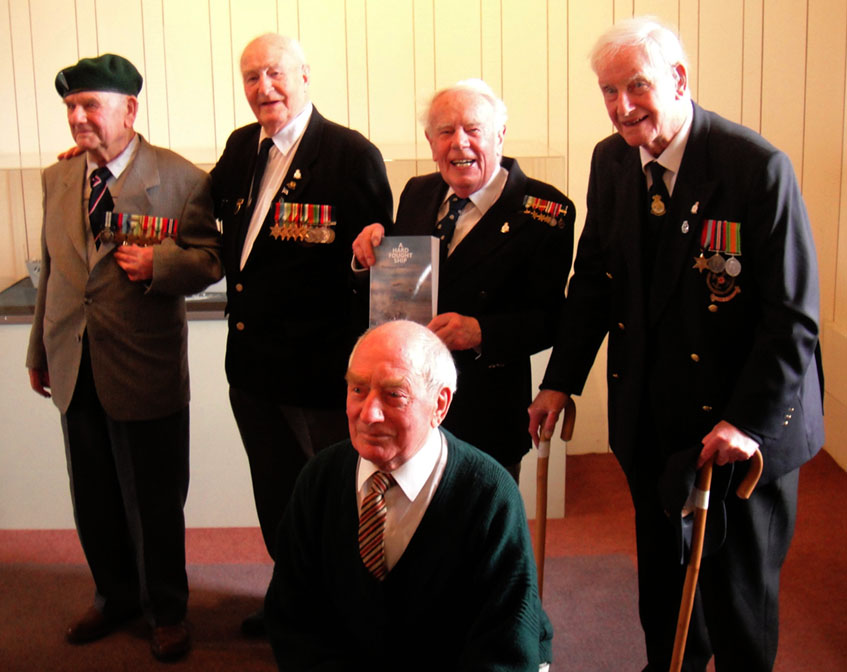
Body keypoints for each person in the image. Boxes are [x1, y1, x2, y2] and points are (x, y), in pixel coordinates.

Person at [528, 16, 824, 672]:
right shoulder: (611, 161)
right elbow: (594, 282)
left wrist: (745, 421)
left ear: (679, 80)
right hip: (652, 415)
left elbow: (791, 319)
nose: (621, 106)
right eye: (607, 91)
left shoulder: (754, 168)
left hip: (742, 424)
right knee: (663, 578)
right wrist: (560, 379)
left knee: (736, 596)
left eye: (636, 86)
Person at [26, 54, 222, 661]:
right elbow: (55, 271)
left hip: (145, 366)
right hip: (73, 361)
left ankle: (166, 610)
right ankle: (114, 597)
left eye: (91, 106)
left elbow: (211, 260)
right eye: (70, 108)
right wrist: (39, 350)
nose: (78, 118)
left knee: (155, 500)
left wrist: (159, 264)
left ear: (129, 109)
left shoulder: (181, 178)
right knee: (93, 495)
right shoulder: (57, 179)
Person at [209, 33, 393, 634]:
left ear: (305, 76)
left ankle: (346, 612)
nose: (264, 88)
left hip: (319, 374)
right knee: (277, 496)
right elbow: (196, 196)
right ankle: (293, 594)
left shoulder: (348, 155)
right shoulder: (243, 148)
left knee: (338, 497)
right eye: (251, 78)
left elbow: (378, 265)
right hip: (254, 371)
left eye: (275, 74)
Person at [264, 319, 552, 670]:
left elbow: (504, 647)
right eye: (358, 390)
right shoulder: (320, 479)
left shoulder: (489, 496)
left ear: (440, 405)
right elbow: (293, 618)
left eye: (393, 394)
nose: (368, 414)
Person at [353, 79, 574, 480]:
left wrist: (480, 331)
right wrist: (373, 250)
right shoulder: (417, 192)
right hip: (410, 404)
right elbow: (407, 281)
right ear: (430, 140)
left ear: (500, 136)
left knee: (480, 531)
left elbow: (551, 318)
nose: (460, 143)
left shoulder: (546, 210)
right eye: (445, 131)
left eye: (473, 130)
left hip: (486, 407)